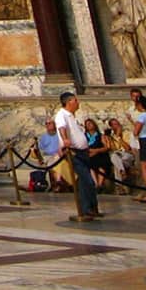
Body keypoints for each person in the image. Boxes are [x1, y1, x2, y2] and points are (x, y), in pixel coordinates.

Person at [55, 91, 100, 221]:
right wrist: (65, 139)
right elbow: (61, 128)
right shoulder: (61, 115)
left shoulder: (72, 116)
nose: (77, 102)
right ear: (68, 102)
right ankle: (86, 209)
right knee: (87, 180)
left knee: (85, 181)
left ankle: (92, 208)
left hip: (83, 152)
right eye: (75, 100)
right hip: (74, 152)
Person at [33, 118, 72, 192]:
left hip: (59, 155)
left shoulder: (60, 135)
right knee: (52, 161)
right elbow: (40, 149)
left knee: (57, 160)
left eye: (49, 123)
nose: (48, 125)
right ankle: (57, 182)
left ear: (54, 125)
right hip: (47, 156)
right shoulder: (44, 137)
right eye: (46, 124)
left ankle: (58, 182)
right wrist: (39, 158)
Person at [104, 117, 135, 188]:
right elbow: (113, 149)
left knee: (117, 162)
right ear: (111, 127)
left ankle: (119, 186)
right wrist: (111, 138)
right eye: (114, 125)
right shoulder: (110, 136)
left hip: (127, 156)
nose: (117, 126)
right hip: (118, 156)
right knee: (115, 157)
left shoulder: (126, 133)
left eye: (118, 124)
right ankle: (122, 173)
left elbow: (128, 148)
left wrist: (119, 137)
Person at [83, 118, 113, 191]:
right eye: (87, 124)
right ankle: (96, 184)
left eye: (90, 123)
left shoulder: (100, 135)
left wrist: (96, 151)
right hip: (89, 155)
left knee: (102, 165)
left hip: (100, 153)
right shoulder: (84, 136)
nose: (89, 125)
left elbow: (106, 147)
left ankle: (100, 184)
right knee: (90, 164)